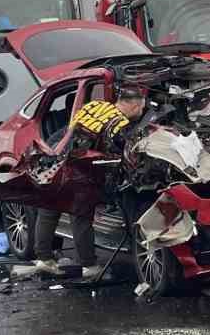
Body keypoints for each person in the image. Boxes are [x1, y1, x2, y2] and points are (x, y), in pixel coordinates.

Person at [33, 84, 147, 277]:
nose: (141, 113)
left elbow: (72, 129)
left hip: (55, 159)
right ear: (134, 106)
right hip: (77, 170)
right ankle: (89, 266)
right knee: (81, 216)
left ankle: (44, 259)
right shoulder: (119, 124)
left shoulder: (94, 105)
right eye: (141, 108)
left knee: (48, 211)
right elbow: (120, 154)